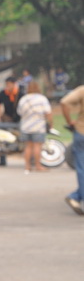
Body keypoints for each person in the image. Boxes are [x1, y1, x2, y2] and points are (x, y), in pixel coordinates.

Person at [16, 81, 52, 174]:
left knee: (28, 146)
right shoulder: (42, 98)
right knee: (37, 146)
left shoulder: (23, 99)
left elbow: (19, 112)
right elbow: (48, 112)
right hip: (38, 126)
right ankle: (38, 165)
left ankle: (27, 166)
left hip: (25, 126)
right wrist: (50, 123)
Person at [61, 85, 84, 216]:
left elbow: (64, 102)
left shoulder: (82, 90)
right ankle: (75, 197)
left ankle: (75, 196)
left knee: (82, 168)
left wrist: (69, 121)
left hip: (81, 131)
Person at [0, 76, 21, 166]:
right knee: (2, 138)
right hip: (6, 119)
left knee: (23, 138)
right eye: (6, 84)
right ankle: (2, 160)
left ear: (14, 84)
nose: (7, 86)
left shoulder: (20, 93)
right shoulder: (3, 93)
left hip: (19, 119)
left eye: (9, 84)